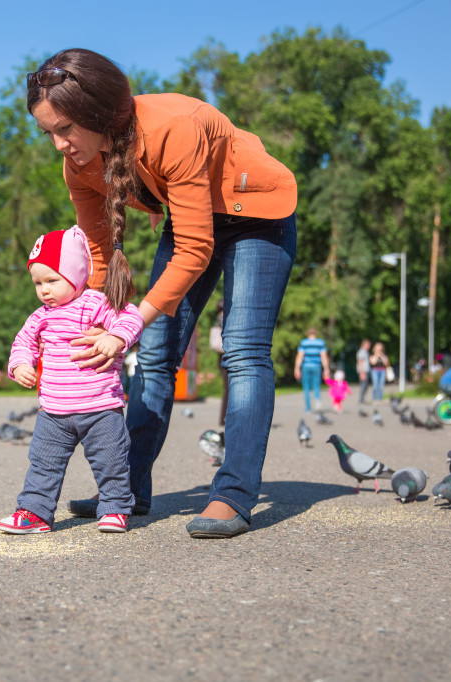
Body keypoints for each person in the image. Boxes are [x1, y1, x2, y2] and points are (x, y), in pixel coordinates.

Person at [28, 48, 298, 539]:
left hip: (256, 210)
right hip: (194, 215)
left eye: (65, 129)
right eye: (48, 131)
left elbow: (194, 250)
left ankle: (233, 495)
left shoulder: (174, 126)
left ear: (98, 114)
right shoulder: (80, 167)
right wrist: (93, 322)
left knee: (242, 349)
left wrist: (126, 324)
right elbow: (100, 256)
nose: (58, 144)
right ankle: (126, 489)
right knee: (154, 355)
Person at [0, 226, 144, 534]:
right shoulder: (40, 317)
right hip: (53, 411)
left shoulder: (94, 303)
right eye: (37, 282)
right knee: (42, 464)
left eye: (52, 280)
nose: (44, 290)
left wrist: (116, 338)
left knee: (111, 462)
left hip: (100, 406)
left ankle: (116, 509)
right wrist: (21, 364)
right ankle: (34, 512)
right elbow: (22, 343)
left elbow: (131, 316)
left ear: (77, 275)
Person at [294, 328, 330, 413]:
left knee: (306, 388)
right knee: (316, 386)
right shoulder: (320, 343)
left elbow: (300, 356)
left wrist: (297, 368)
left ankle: (308, 408)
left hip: (306, 366)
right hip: (317, 366)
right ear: (316, 333)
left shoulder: (304, 343)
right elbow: (324, 357)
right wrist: (326, 369)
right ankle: (317, 405)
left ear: (307, 333)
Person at [356, 339, 372, 404]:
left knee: (365, 385)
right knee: (363, 385)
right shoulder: (362, 352)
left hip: (365, 371)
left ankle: (362, 399)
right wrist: (362, 372)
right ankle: (361, 399)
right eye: (367, 344)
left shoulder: (365, 352)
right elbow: (360, 362)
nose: (369, 346)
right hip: (363, 371)